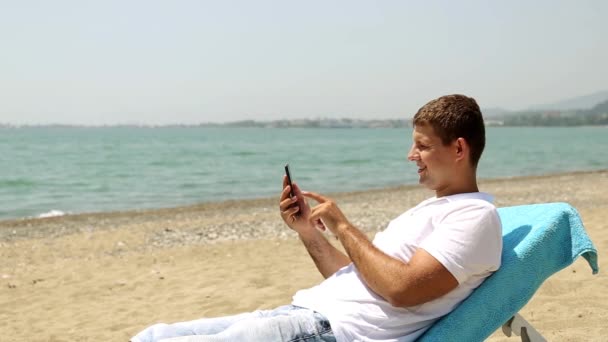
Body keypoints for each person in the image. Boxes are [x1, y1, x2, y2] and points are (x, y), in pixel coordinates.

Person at [131, 94, 503, 342]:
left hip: (325, 331)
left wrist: (343, 227)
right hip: (300, 313)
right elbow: (361, 278)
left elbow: (403, 289)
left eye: (422, 146)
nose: (411, 155)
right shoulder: (431, 211)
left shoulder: (474, 216)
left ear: (458, 149)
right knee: (155, 335)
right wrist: (308, 231)